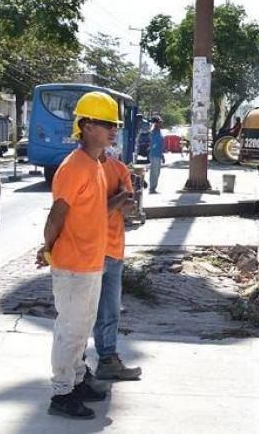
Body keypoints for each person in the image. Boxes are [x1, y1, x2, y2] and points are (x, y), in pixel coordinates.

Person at [36, 91, 120, 419]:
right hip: (73, 265)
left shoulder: (95, 164)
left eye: (114, 123)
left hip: (89, 262)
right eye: (105, 123)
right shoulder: (74, 167)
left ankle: (78, 379)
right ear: (85, 126)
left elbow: (92, 211)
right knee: (70, 330)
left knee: (81, 329)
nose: (113, 129)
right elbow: (57, 215)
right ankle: (62, 394)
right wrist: (47, 248)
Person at [93, 150, 144, 381]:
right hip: (90, 252)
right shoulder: (82, 168)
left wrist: (119, 198)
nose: (111, 132)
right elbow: (97, 211)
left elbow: (128, 206)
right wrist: (119, 196)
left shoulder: (118, 168)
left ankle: (107, 360)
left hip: (114, 250)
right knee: (85, 314)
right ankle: (77, 367)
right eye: (107, 126)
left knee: (111, 312)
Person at [147, 116, 164, 194]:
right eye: (159, 122)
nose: (161, 123)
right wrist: (153, 125)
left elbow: (160, 144)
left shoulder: (159, 131)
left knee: (157, 172)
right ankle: (152, 188)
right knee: (154, 172)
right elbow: (151, 140)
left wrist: (162, 155)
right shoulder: (153, 131)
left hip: (158, 154)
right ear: (156, 123)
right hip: (154, 154)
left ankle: (154, 187)